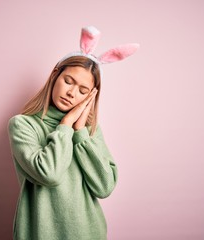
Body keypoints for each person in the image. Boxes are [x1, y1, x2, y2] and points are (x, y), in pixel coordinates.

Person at [7, 26, 139, 240]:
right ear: (55, 76)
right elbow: (48, 173)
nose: (71, 93)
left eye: (83, 90)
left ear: (91, 96)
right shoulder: (22, 125)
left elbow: (104, 187)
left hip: (89, 233)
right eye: (68, 81)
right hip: (39, 234)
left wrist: (80, 134)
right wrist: (66, 125)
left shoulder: (89, 132)